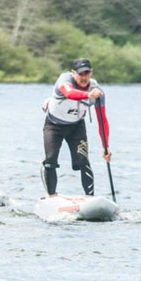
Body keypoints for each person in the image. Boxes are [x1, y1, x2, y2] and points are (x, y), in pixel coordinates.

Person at [41, 58, 111, 197]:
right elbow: (69, 93)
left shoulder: (96, 91)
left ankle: (90, 198)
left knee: (83, 160)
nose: (84, 77)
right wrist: (87, 95)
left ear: (91, 72)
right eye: (80, 73)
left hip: (76, 127)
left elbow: (102, 121)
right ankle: (52, 196)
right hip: (54, 126)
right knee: (50, 160)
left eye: (87, 73)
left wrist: (105, 147)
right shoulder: (65, 80)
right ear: (73, 73)